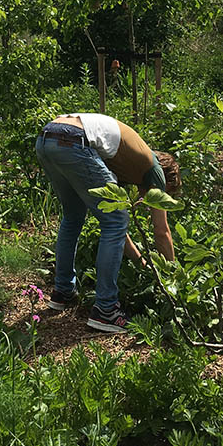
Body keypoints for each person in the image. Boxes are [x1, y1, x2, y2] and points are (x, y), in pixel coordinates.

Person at [34, 112, 180, 333]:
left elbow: (113, 223)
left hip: (47, 137)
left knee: (73, 216)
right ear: (163, 181)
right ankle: (106, 310)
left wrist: (140, 261)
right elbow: (161, 231)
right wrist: (173, 275)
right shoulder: (154, 169)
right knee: (115, 219)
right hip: (75, 139)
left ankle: (62, 291)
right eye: (163, 193)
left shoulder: (124, 162)